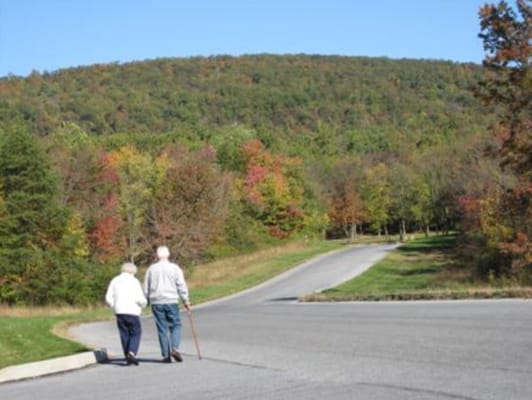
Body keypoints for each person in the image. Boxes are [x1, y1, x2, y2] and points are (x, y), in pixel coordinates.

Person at [144, 245, 191, 363]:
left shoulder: (151, 269)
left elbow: (146, 286)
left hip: (156, 301)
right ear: (168, 255)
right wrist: (186, 300)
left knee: (162, 328)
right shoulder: (174, 268)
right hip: (171, 300)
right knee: (175, 325)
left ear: (157, 256)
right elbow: (181, 284)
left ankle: (166, 354)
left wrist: (147, 300)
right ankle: (175, 348)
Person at [105, 262, 147, 366]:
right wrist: (143, 304)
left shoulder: (115, 280)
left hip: (120, 311)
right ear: (133, 271)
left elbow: (109, 296)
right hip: (132, 311)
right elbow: (139, 298)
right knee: (136, 332)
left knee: (124, 334)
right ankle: (132, 352)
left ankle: (127, 356)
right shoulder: (134, 281)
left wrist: (112, 304)